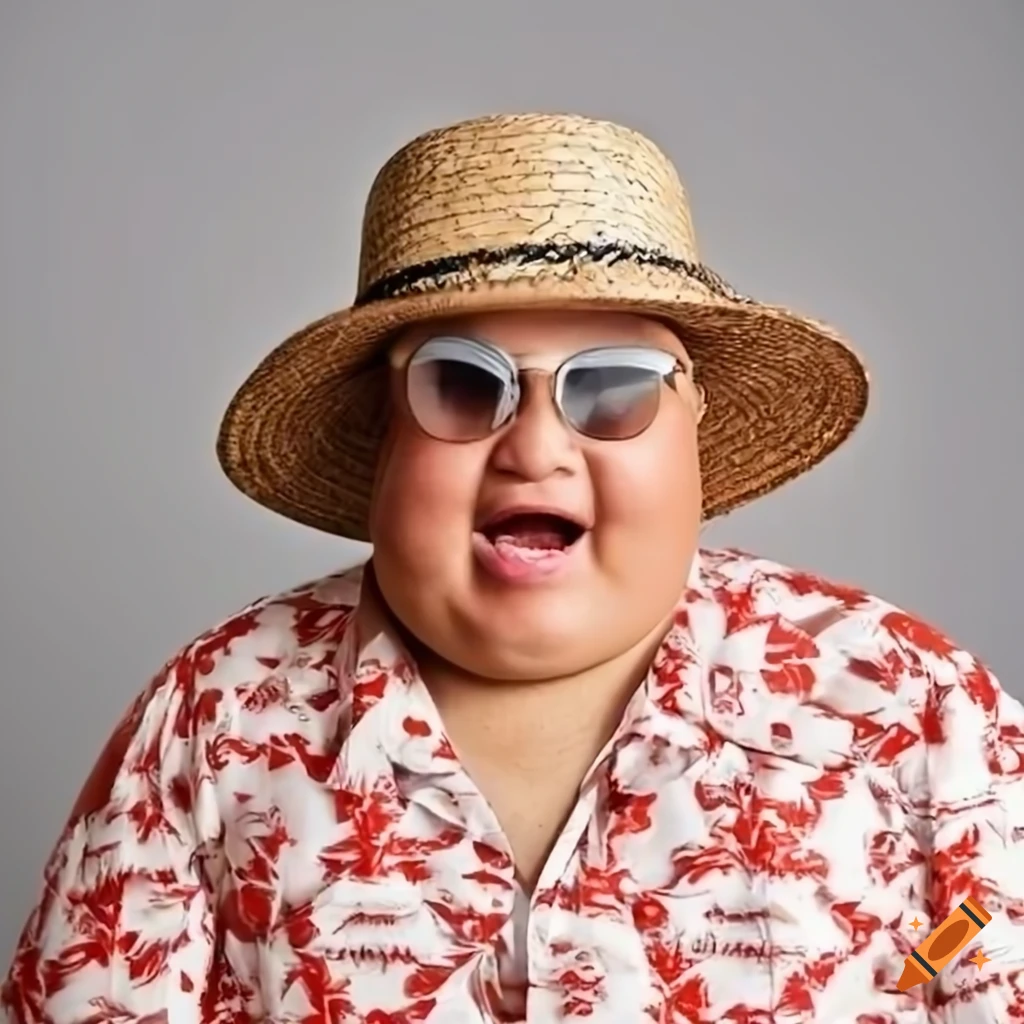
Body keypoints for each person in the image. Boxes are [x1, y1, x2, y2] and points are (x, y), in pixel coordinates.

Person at [2, 112, 1021, 1024]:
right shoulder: (218, 721)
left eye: (612, 388)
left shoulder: (905, 709)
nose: (536, 449)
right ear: (380, 437)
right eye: (459, 383)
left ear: (693, 430)